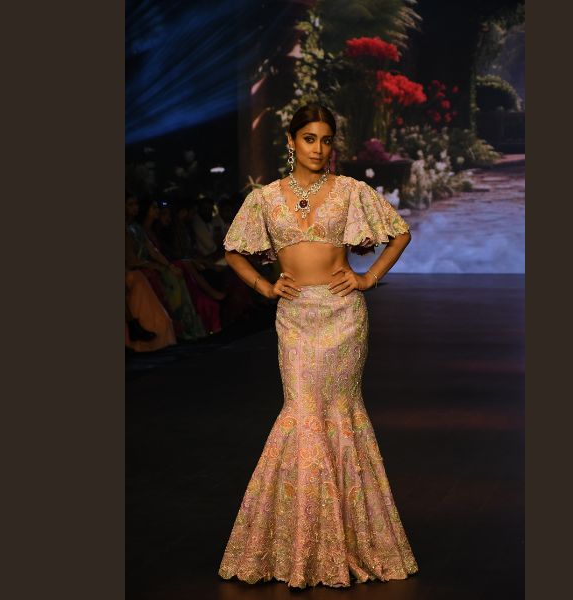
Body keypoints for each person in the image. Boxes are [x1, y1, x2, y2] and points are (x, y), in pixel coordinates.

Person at [218, 104, 418, 588]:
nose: (319, 148)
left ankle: (343, 545)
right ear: (291, 141)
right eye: (310, 138)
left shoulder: (350, 191)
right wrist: (265, 287)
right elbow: (233, 249)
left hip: (343, 316)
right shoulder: (267, 198)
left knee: (339, 416)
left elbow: (400, 234)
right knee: (302, 413)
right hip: (295, 317)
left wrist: (368, 277)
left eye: (327, 140)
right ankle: (300, 545)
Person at [125, 192, 208, 342]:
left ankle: (185, 323)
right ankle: (177, 324)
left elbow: (153, 251)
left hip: (146, 266)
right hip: (137, 269)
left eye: (135, 204)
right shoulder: (129, 228)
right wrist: (157, 266)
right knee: (166, 275)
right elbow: (132, 260)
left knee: (174, 271)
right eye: (130, 204)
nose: (134, 208)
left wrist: (168, 266)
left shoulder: (136, 227)